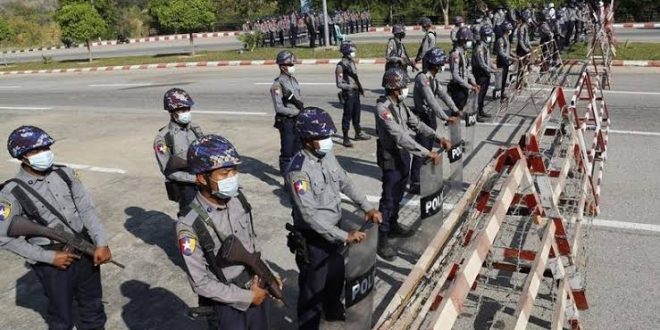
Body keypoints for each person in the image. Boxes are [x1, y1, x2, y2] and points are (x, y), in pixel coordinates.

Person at [0, 125, 112, 330]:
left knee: (93, 308)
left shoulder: (66, 174)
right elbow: (3, 237)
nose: (45, 153)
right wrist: (48, 258)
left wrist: (101, 243)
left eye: (46, 147)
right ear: (22, 156)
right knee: (61, 318)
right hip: (53, 262)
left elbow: (87, 209)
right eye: (36, 150)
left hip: (85, 248)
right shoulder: (10, 193)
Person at [285, 107, 381, 329]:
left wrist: (367, 207)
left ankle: (333, 311)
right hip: (315, 239)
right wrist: (344, 235)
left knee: (335, 278)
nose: (328, 140)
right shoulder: (297, 171)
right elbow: (308, 215)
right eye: (322, 136)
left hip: (335, 233)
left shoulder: (326, 155)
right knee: (313, 289)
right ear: (308, 139)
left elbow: (345, 181)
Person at [177, 134, 279, 329]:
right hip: (227, 307)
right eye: (224, 174)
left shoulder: (238, 200)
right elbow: (200, 282)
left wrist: (268, 276)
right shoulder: (189, 224)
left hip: (256, 287)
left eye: (234, 171)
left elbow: (252, 247)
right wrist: (247, 297)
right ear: (202, 178)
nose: (231, 178)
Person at [375, 68, 451, 260]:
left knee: (399, 192)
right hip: (390, 156)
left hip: (403, 155)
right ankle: (382, 238)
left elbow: (416, 123)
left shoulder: (401, 105)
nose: (405, 89)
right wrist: (427, 153)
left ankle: (392, 224)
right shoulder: (383, 108)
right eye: (403, 86)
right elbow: (399, 136)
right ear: (393, 88)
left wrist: (437, 137)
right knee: (389, 197)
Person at [409, 48, 460, 195]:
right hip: (423, 118)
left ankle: (424, 176)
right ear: (434, 64)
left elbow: (443, 95)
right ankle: (415, 182)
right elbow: (431, 101)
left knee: (428, 149)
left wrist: (455, 109)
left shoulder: (433, 79)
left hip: (430, 118)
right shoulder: (422, 78)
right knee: (421, 150)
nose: (442, 66)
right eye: (440, 63)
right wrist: (445, 117)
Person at [154, 88, 204, 216]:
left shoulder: (195, 129)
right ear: (172, 112)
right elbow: (168, 171)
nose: (186, 112)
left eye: (188, 109)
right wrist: (195, 179)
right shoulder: (163, 138)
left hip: (204, 182)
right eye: (182, 110)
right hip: (186, 188)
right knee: (191, 222)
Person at [270, 50, 303, 176]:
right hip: (287, 121)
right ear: (282, 66)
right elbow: (279, 108)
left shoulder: (293, 80)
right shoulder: (277, 85)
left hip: (297, 119)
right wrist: (295, 111)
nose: (292, 67)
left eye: (292, 64)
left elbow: (298, 98)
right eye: (289, 65)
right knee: (287, 151)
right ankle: (286, 177)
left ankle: (296, 174)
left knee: (298, 148)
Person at [336, 42, 370, 148]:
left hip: (355, 93)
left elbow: (355, 77)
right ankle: (345, 138)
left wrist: (360, 89)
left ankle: (358, 133)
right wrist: (351, 87)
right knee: (347, 116)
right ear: (347, 52)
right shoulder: (340, 66)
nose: (354, 53)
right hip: (348, 94)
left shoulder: (351, 62)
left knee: (357, 114)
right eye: (352, 52)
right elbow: (339, 84)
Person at [448, 26, 480, 112]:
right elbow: (455, 75)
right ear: (462, 40)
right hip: (458, 88)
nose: (469, 43)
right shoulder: (455, 54)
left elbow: (467, 70)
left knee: (462, 110)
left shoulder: (463, 53)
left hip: (464, 86)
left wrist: (474, 83)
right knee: (457, 112)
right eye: (468, 40)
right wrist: (469, 86)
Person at [472, 25, 497, 121]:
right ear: (482, 36)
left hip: (485, 73)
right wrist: (492, 70)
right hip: (480, 73)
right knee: (479, 94)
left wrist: (492, 66)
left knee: (483, 93)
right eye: (487, 35)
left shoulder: (486, 46)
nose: (489, 37)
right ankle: (476, 113)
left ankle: (481, 110)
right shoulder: (479, 48)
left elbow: (488, 60)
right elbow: (482, 63)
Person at [495, 21, 515, 99]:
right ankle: (498, 93)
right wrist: (511, 58)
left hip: (506, 61)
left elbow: (508, 50)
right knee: (500, 79)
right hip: (501, 61)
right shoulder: (501, 40)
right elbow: (501, 53)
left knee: (504, 79)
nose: (510, 31)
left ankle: (502, 92)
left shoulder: (506, 38)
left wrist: (514, 56)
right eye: (509, 29)